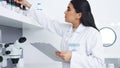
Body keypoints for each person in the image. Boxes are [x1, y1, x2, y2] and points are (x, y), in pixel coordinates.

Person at [15, 0, 106, 68]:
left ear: (79, 15)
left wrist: (72, 57)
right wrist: (28, 5)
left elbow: (99, 63)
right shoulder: (68, 29)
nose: (65, 12)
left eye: (68, 9)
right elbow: (48, 22)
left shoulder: (92, 33)